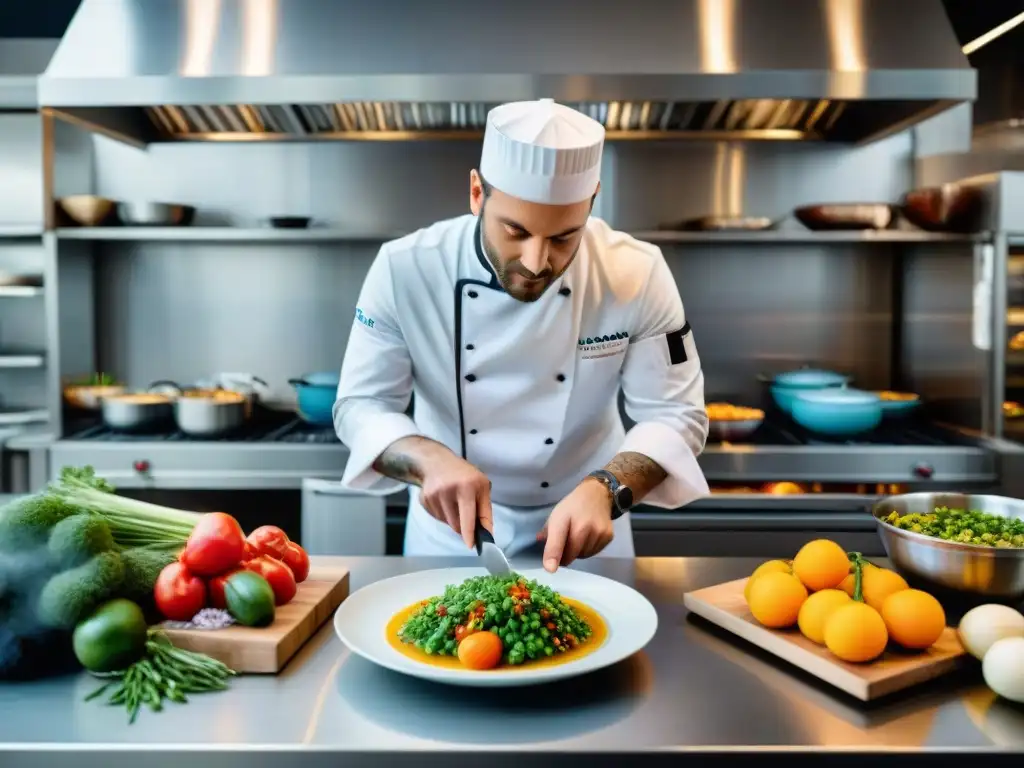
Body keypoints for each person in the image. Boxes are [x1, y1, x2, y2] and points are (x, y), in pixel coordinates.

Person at [334, 98, 709, 571]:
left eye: (563, 238)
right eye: (515, 230)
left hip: (586, 528)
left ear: (592, 200)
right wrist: (425, 457)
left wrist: (609, 488)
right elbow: (359, 405)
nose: (536, 263)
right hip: (452, 534)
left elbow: (678, 414)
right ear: (476, 194)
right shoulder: (406, 268)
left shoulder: (637, 272)